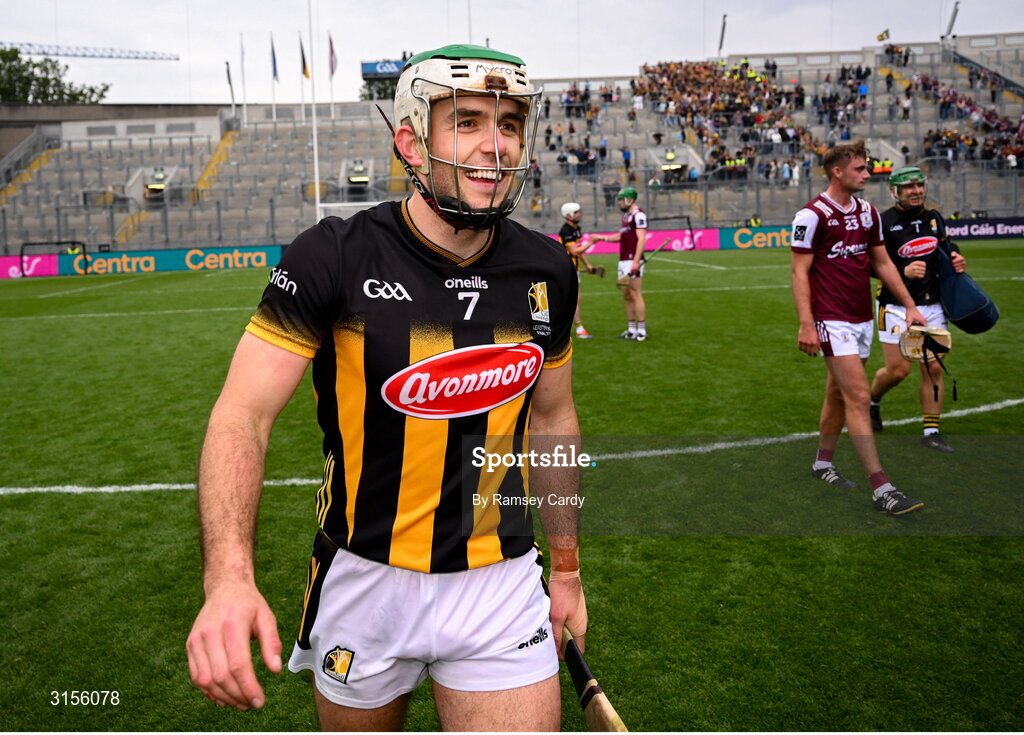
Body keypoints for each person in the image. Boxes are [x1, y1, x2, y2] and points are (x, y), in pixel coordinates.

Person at [186, 43, 587, 731]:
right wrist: (227, 575)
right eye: (466, 121)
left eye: (511, 123)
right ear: (409, 140)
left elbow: (553, 420)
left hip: (499, 580)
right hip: (363, 577)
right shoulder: (332, 256)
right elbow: (242, 416)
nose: (495, 145)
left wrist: (570, 569)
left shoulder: (547, 268)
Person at [790, 140, 927, 515]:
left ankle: (822, 464)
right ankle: (882, 488)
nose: (868, 174)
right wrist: (806, 324)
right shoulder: (811, 215)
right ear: (838, 171)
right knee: (859, 398)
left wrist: (911, 306)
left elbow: (882, 264)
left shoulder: (868, 212)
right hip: (830, 318)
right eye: (861, 169)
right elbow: (799, 273)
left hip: (862, 317)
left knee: (837, 392)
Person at [869, 167, 967, 452]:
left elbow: (946, 247)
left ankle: (932, 430)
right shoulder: (883, 223)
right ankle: (873, 400)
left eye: (919, 186)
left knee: (933, 366)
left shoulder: (934, 218)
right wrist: (903, 270)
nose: (916, 191)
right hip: (895, 305)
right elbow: (869, 266)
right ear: (894, 192)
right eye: (909, 187)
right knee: (898, 371)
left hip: (932, 305)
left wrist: (957, 257)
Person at [590, 186, 648, 341]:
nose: (619, 203)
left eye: (621, 200)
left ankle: (641, 330)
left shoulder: (638, 215)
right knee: (627, 294)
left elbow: (642, 238)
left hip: (632, 260)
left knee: (636, 293)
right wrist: (602, 238)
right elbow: (621, 236)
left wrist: (636, 261)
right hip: (623, 260)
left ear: (629, 199)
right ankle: (631, 329)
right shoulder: (626, 216)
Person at [558, 202, 597, 339]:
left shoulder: (576, 229)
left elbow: (579, 252)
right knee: (574, 300)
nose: (579, 214)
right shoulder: (566, 231)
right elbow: (574, 251)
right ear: (568, 215)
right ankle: (579, 329)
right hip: (567, 268)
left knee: (575, 300)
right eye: (576, 212)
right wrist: (591, 242)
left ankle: (566, 325)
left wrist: (587, 264)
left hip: (575, 268)